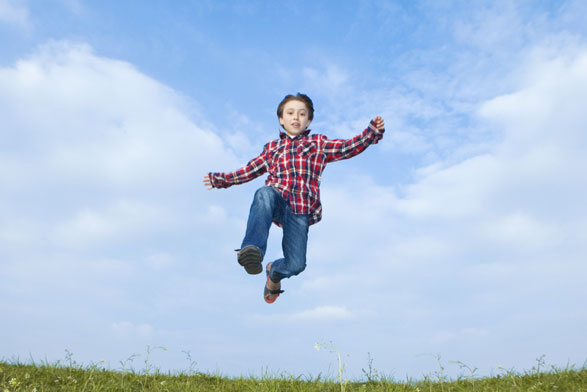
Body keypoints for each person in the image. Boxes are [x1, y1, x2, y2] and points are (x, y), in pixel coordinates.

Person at [204, 93, 385, 303]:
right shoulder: (272, 148)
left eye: (302, 114)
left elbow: (347, 147)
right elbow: (249, 170)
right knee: (263, 193)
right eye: (290, 113)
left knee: (296, 265)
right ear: (281, 119)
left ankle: (274, 273)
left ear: (308, 121)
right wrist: (221, 180)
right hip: (277, 196)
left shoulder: (318, 143)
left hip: (300, 209)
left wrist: (371, 133)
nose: (296, 118)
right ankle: (252, 250)